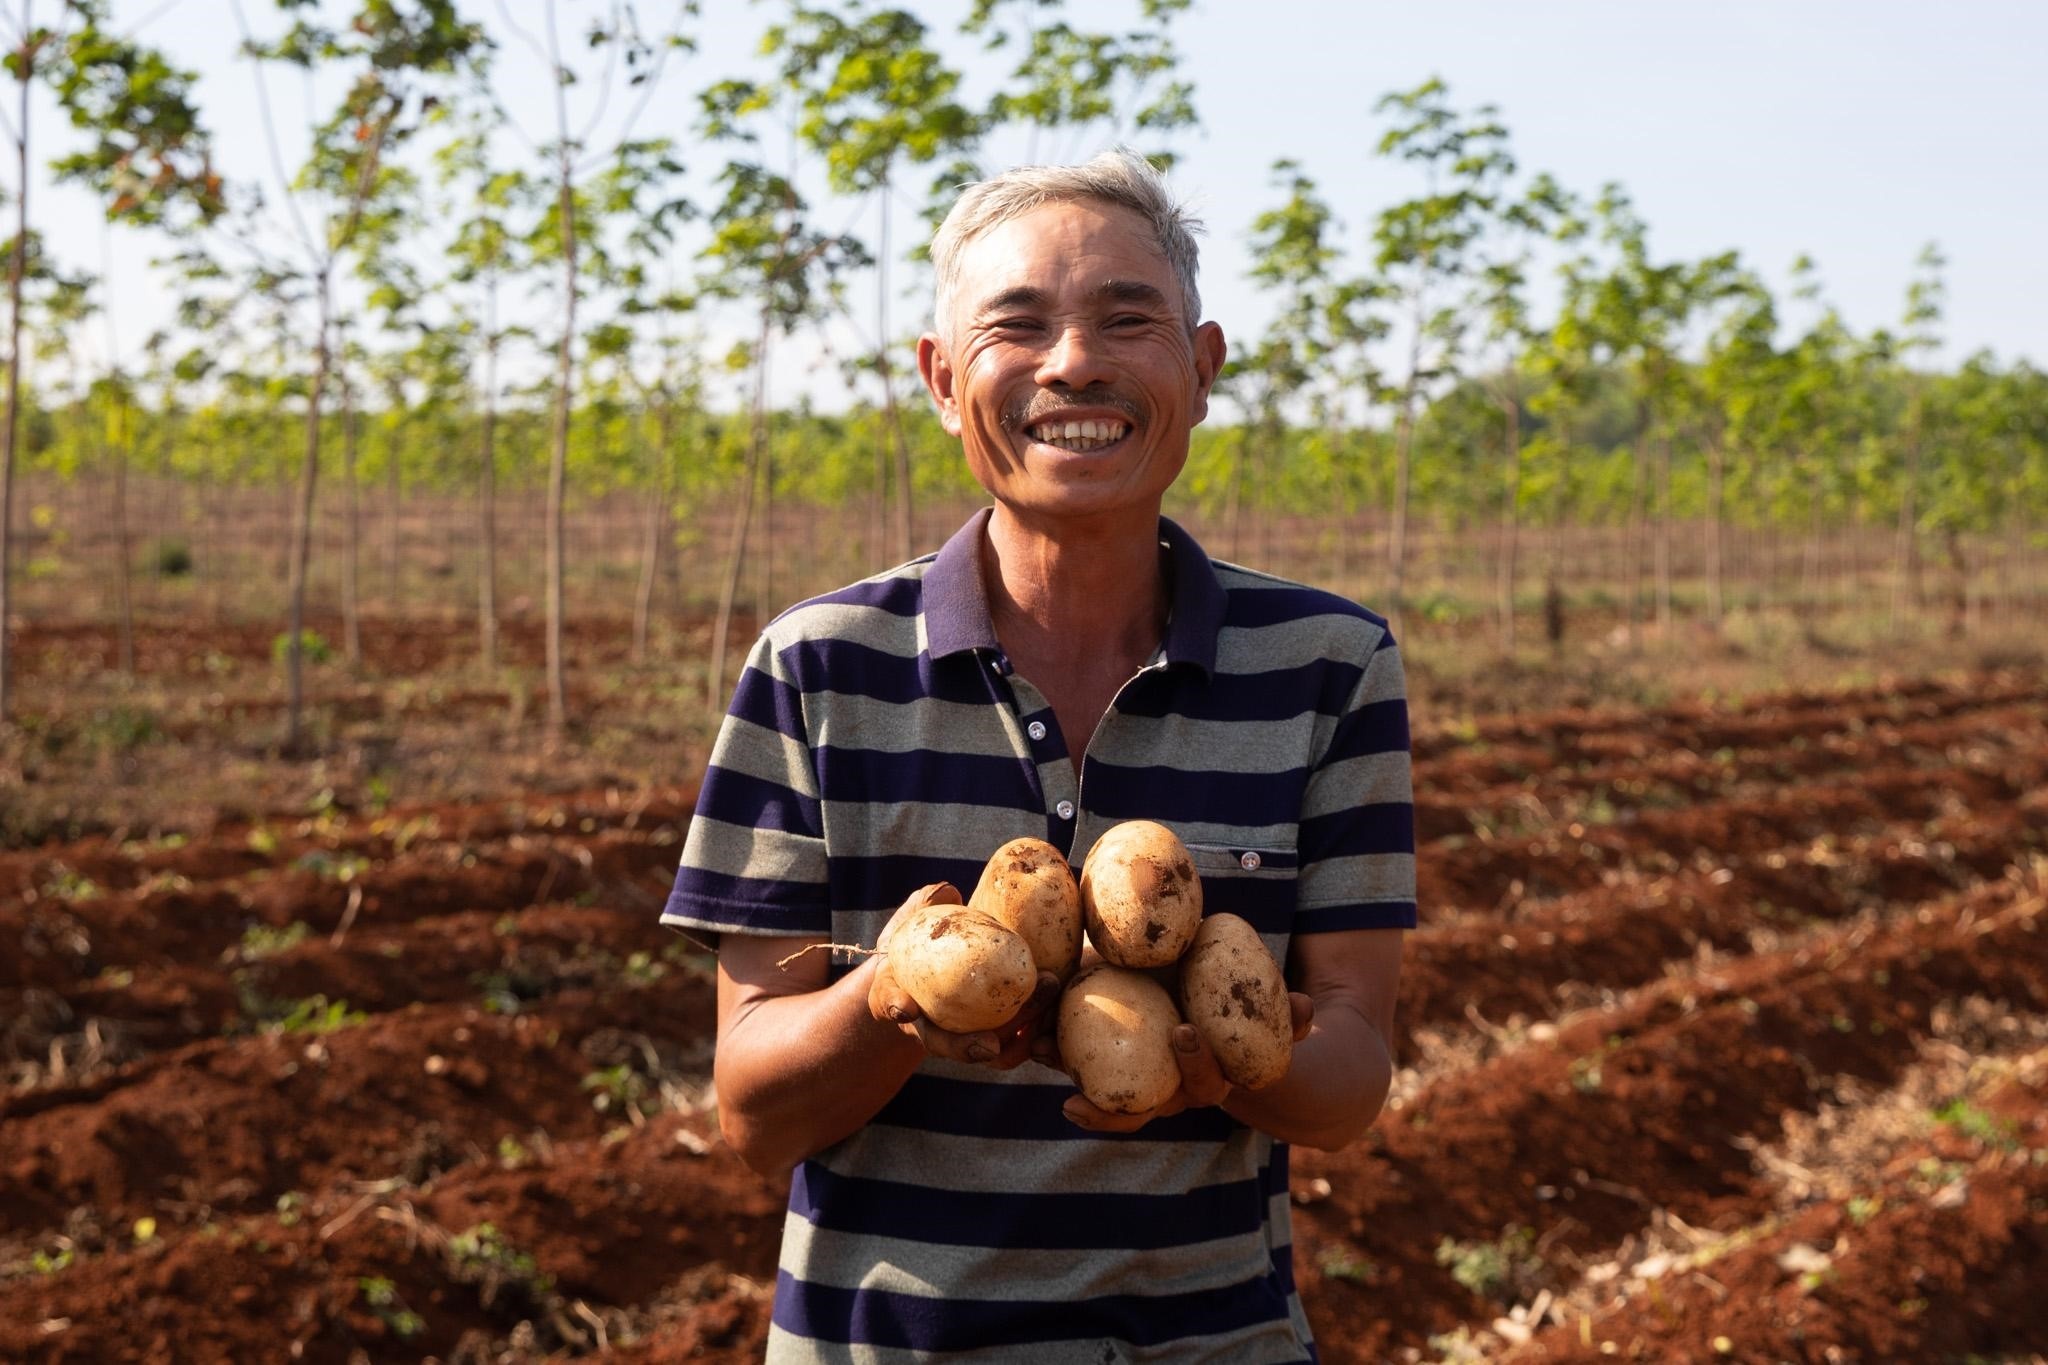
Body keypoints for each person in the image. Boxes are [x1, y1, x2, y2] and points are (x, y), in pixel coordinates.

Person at [663, 148, 1413, 1363]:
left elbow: (1351, 1074)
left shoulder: (1326, 664)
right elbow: (751, 1113)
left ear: (1203, 368)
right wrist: (894, 997)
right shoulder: (817, 667)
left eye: (1128, 319)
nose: (1074, 361)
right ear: (943, 380)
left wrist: (1222, 1069)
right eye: (1018, 325)